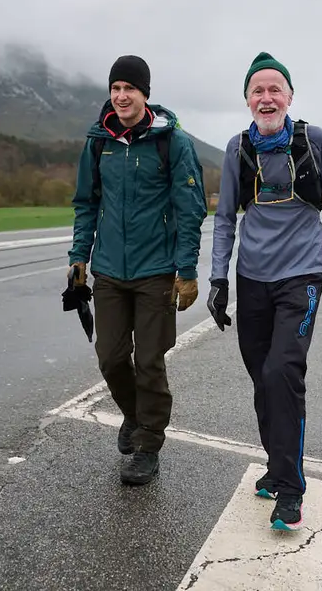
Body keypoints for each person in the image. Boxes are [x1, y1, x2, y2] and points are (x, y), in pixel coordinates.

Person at [206, 52, 322, 530]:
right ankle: (276, 465)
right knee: (261, 378)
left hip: (302, 277)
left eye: (275, 89)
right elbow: (225, 218)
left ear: (289, 97)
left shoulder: (314, 141)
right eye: (257, 90)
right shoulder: (236, 149)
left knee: (283, 373)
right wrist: (219, 280)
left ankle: (291, 489)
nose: (266, 97)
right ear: (247, 100)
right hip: (252, 281)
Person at [68, 54, 208, 486]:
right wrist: (79, 258)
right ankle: (134, 416)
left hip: (156, 272)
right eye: (115, 89)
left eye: (130, 88)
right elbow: (86, 203)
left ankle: (148, 443)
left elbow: (191, 209)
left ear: (145, 94)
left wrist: (186, 269)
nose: (122, 96)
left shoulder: (172, 142)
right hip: (109, 271)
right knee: (110, 357)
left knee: (148, 360)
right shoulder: (99, 141)